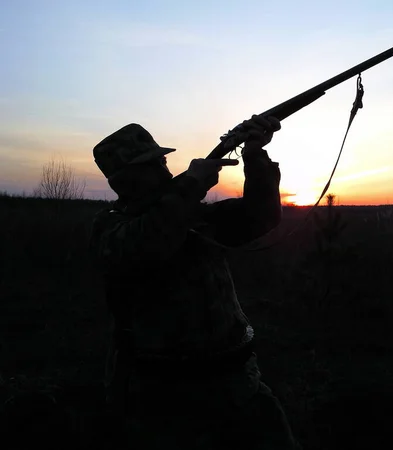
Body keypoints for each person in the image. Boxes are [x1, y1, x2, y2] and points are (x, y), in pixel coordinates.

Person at [89, 115, 300, 449]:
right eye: (152, 163)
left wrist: (255, 153)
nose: (164, 170)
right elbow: (149, 243)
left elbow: (260, 216)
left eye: (162, 160)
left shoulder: (192, 215)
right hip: (164, 398)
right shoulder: (111, 228)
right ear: (124, 179)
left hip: (239, 381)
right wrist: (192, 185)